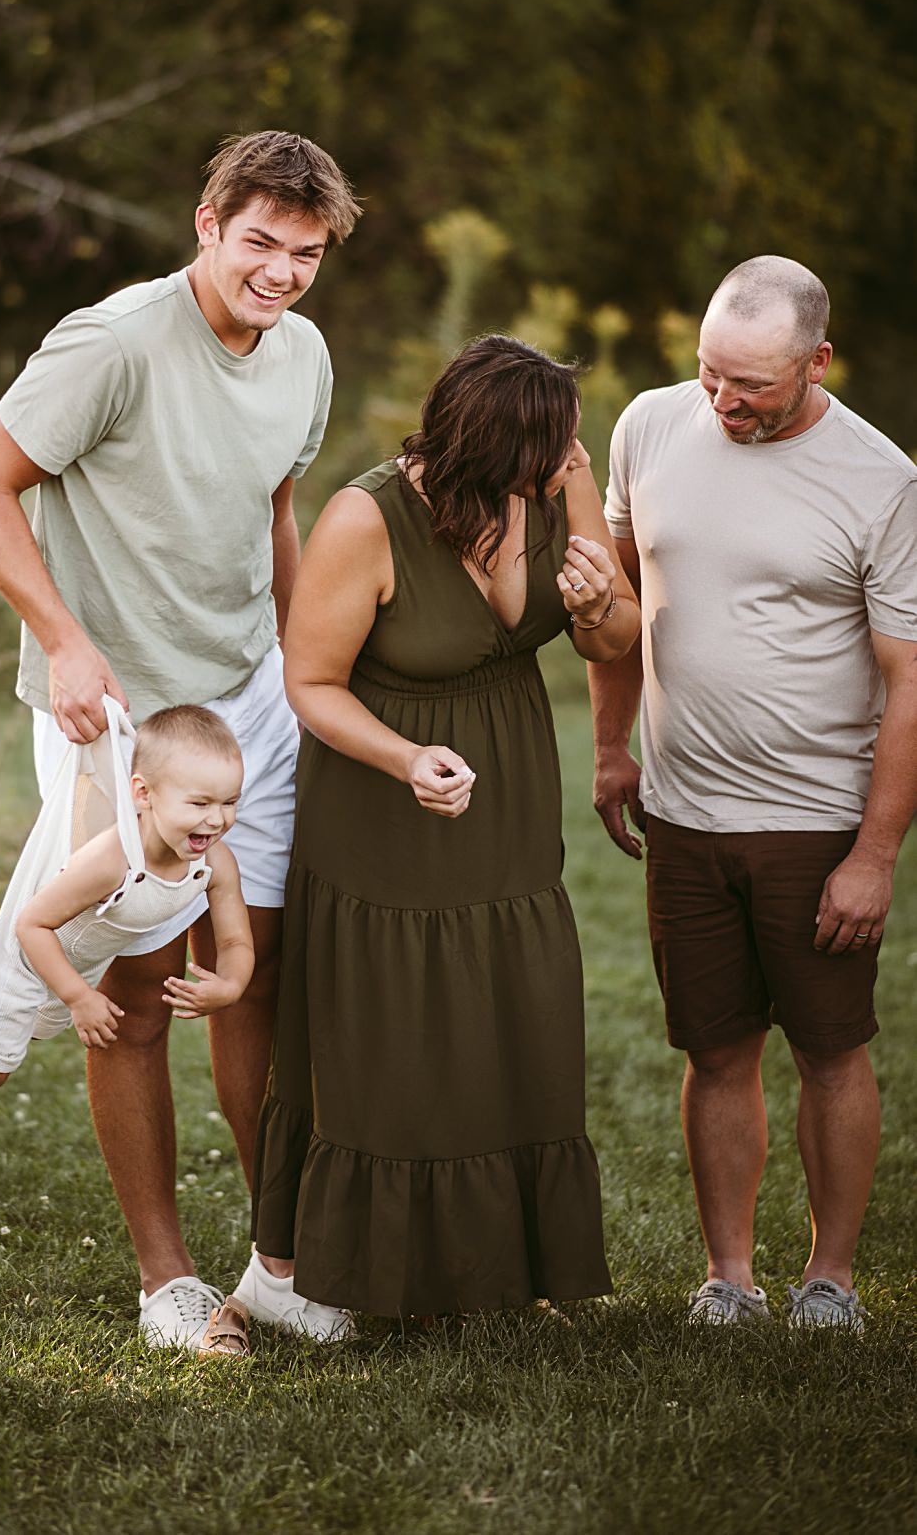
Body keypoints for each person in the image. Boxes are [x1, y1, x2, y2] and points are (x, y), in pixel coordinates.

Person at [0, 130, 362, 1349]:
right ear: (207, 224)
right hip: (120, 716)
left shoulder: (305, 354)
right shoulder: (113, 341)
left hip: (253, 703)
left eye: (306, 253)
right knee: (130, 986)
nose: (280, 273)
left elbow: (276, 508)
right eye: (260, 244)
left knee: (255, 972)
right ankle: (166, 1281)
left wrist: (302, 667)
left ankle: (276, 1262)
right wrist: (65, 642)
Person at [250, 335, 641, 1320]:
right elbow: (309, 682)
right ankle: (332, 1273)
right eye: (547, 451)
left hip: (506, 791)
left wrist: (597, 612)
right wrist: (403, 759)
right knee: (386, 1032)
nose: (566, 464)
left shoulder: (561, 477)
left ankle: (493, 1268)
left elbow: (618, 632)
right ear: (481, 447)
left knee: (505, 1010)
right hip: (383, 794)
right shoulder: (364, 518)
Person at [590, 256, 917, 1332]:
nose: (721, 403)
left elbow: (908, 678)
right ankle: (727, 1278)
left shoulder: (880, 480)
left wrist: (872, 854)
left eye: (752, 387)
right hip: (684, 813)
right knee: (715, 1049)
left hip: (814, 823)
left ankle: (829, 1280)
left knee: (830, 1051)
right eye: (708, 374)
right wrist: (609, 747)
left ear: (816, 361)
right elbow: (618, 600)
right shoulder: (647, 424)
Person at [0, 705, 253, 1255]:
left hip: (82, 963)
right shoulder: (112, 859)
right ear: (143, 795)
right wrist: (78, 997)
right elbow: (32, 924)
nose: (216, 820)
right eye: (200, 804)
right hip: (29, 957)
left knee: (29, 1035)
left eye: (230, 803)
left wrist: (230, 986)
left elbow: (235, 940)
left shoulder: (216, 862)